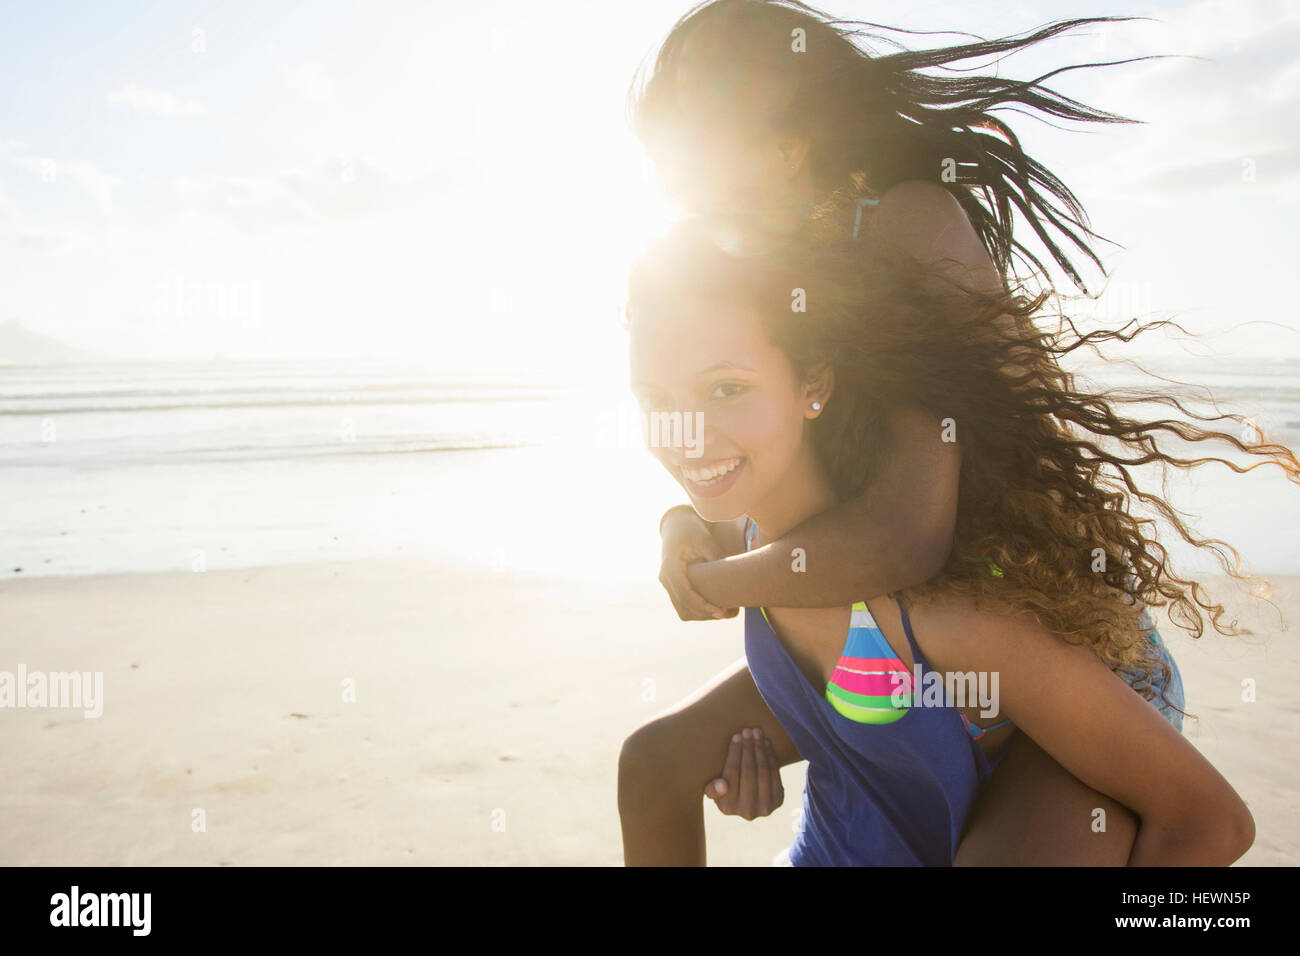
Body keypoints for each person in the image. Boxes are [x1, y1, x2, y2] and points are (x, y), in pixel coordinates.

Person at [621, 0, 1187, 864]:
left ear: (787, 144)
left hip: (1050, 664)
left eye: (695, 173)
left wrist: (719, 580)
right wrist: (682, 526)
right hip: (888, 638)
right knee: (656, 764)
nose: (686, 204)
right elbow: (757, 454)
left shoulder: (907, 223)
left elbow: (905, 533)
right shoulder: (775, 272)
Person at [622, 212, 1285, 864]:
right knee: (647, 761)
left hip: (1026, 814)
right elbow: (701, 530)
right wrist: (673, 523)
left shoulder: (947, 617)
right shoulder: (742, 532)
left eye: (727, 388)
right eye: (656, 401)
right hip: (855, 834)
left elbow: (1212, 822)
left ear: (814, 382)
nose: (688, 435)